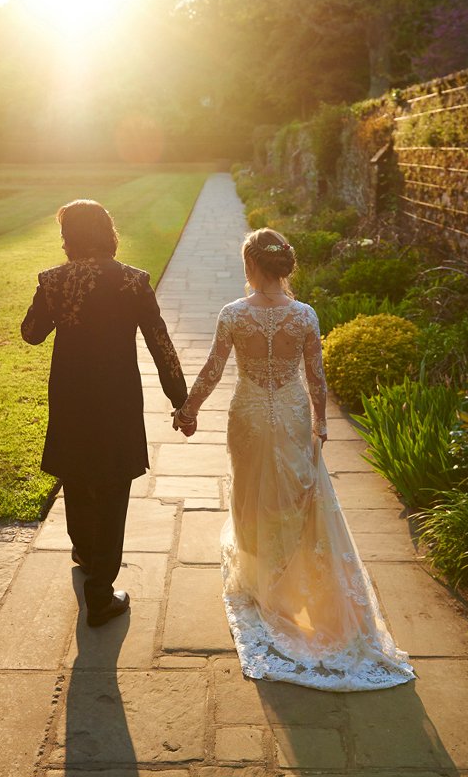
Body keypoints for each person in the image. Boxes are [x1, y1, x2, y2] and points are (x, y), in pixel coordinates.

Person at [173, 228, 414, 690]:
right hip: (291, 414)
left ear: (250, 264)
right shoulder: (304, 315)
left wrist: (188, 411)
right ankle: (286, 576)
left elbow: (213, 370)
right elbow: (316, 377)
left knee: (250, 493)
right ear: (282, 266)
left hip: (248, 414)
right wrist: (320, 423)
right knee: (295, 499)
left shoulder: (233, 314)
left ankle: (261, 579)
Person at [22, 199, 189, 627]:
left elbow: (31, 333)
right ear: (108, 233)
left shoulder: (54, 281)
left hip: (71, 396)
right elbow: (160, 342)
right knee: (114, 486)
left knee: (76, 474)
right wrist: (179, 397)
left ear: (70, 238)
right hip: (116, 398)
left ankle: (84, 552)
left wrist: (48, 295)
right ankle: (100, 591)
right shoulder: (132, 280)